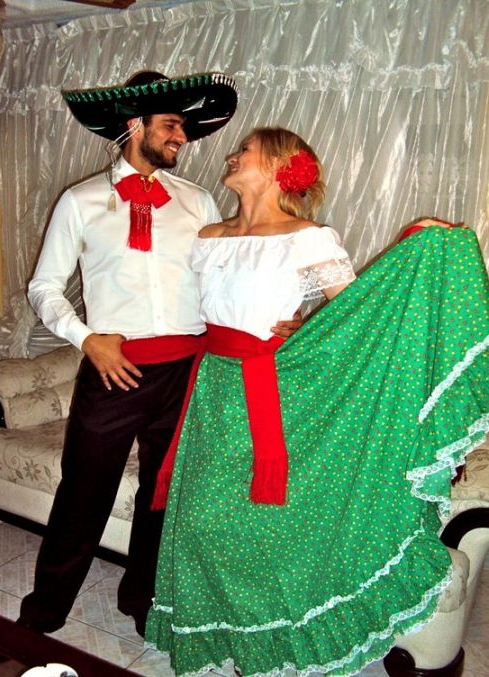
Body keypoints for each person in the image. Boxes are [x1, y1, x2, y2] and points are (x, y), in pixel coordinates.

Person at [145, 127, 489, 675]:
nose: (232, 155)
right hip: (212, 390)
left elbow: (359, 320)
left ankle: (275, 645)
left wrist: (310, 322)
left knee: (265, 527)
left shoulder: (310, 238)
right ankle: (230, 633)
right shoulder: (208, 235)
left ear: (282, 165)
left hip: (278, 394)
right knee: (207, 523)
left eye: (247, 150)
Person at [18, 71, 299, 638]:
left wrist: (281, 316)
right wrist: (86, 338)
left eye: (185, 129)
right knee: (81, 496)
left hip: (189, 370)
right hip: (113, 369)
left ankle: (143, 604)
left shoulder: (196, 202)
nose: (183, 138)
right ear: (133, 124)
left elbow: (234, 270)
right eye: (171, 125)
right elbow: (43, 287)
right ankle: (40, 619)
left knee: (161, 497)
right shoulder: (80, 201)